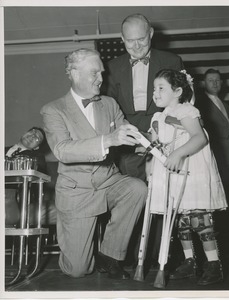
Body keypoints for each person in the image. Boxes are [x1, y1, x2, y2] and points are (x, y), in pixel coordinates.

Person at [40, 48, 147, 280]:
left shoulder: (109, 103)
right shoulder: (53, 110)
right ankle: (85, 253)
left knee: (137, 188)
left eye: (102, 73)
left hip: (109, 182)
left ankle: (109, 255)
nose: (101, 78)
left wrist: (150, 141)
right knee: (78, 270)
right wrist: (108, 139)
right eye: (94, 73)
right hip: (78, 191)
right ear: (75, 74)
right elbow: (62, 150)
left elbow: (129, 134)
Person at [147, 69, 228, 286]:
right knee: (180, 221)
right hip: (173, 174)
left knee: (199, 218)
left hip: (193, 170)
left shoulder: (186, 110)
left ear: (178, 91)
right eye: (154, 88)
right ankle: (189, 260)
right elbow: (157, 144)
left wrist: (178, 153)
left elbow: (200, 138)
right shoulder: (158, 117)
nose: (155, 93)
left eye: (161, 88)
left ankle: (213, 264)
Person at [105, 13, 184, 181]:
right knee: (135, 195)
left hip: (165, 136)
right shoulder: (111, 68)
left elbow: (182, 103)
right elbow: (108, 107)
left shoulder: (172, 61)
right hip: (129, 141)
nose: (136, 46)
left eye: (141, 39)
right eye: (130, 40)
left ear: (151, 33)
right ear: (122, 38)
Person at [195, 69, 229, 210]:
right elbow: (201, 129)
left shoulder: (226, 106)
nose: (215, 83)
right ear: (204, 83)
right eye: (211, 80)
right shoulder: (199, 104)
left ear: (222, 83)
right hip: (215, 157)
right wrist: (227, 130)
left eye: (217, 80)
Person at [5, 127, 47, 226]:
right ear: (24, 133)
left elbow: (36, 180)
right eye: (32, 132)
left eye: (37, 138)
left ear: (37, 147)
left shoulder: (37, 158)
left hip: (15, 195)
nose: (33, 136)